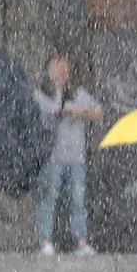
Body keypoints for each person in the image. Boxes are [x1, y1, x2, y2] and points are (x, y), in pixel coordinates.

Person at [32, 52, 102, 256]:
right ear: (49, 68)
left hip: (76, 156)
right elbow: (36, 118)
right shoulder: (40, 94)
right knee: (48, 197)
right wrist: (58, 115)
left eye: (65, 65)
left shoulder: (77, 94)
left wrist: (80, 112)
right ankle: (45, 241)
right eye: (58, 64)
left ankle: (81, 241)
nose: (63, 69)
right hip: (52, 155)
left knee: (77, 199)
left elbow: (98, 112)